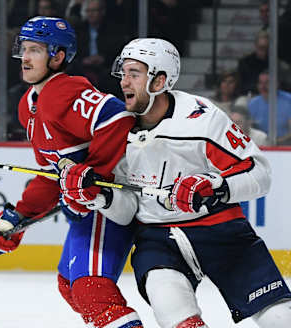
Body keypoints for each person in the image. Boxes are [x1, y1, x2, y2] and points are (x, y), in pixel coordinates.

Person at [59, 37, 291, 328]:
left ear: (159, 82)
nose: (123, 82)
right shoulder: (116, 128)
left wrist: (215, 186)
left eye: (134, 73)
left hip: (222, 233)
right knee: (177, 317)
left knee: (280, 318)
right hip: (158, 241)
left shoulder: (200, 119)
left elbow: (260, 174)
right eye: (123, 72)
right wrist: (100, 196)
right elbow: (128, 209)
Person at [0, 16, 144, 328]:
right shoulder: (28, 104)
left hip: (107, 203)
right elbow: (51, 175)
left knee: (90, 289)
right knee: (70, 286)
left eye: (35, 50)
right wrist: (18, 218)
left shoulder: (65, 90)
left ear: (57, 57)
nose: (25, 58)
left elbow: (118, 119)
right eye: (23, 49)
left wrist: (92, 176)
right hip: (87, 206)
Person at [248, 70, 291, 145]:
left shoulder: (288, 100)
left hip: (285, 146)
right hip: (260, 145)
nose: (263, 86)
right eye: (260, 83)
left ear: (276, 84)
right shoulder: (253, 103)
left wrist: (275, 142)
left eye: (267, 82)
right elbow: (249, 129)